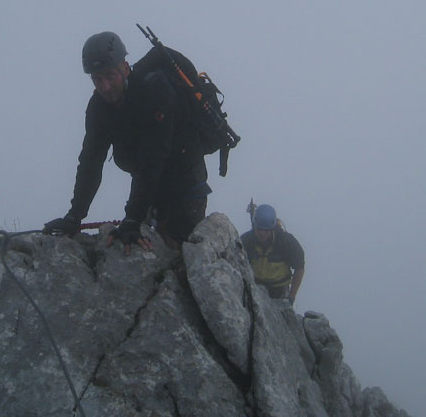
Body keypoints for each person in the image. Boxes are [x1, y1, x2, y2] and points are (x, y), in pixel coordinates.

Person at [43, 30, 211, 254]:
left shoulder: (156, 93)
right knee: (149, 245)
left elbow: (153, 157)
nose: (104, 86)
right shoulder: (99, 108)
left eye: (109, 76)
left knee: (182, 253)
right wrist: (75, 215)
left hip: (186, 178)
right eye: (97, 78)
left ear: (125, 67)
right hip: (150, 182)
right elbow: (91, 161)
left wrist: (133, 217)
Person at [240, 203, 305, 302]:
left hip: (280, 291)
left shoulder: (286, 242)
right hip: (254, 289)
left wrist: (291, 296)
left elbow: (299, 267)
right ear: (254, 226)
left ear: (273, 228)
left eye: (266, 230)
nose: (262, 234)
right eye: (259, 229)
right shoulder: (246, 241)